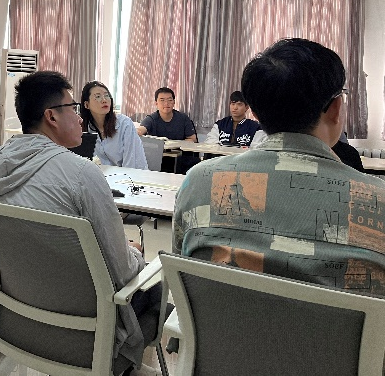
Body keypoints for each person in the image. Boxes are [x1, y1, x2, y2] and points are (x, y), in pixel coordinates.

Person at [0, 71, 161, 375]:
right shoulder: (81, 174)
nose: (79, 118)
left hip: (16, 317)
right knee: (156, 281)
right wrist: (134, 254)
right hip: (86, 332)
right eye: (73, 108)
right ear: (52, 117)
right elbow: (122, 270)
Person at [173, 38, 385, 296]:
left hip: (218, 322)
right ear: (336, 108)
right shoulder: (377, 200)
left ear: (256, 113)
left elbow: (182, 273)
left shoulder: (198, 182)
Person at [81, 81, 147, 169]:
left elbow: (132, 164)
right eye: (98, 97)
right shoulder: (84, 128)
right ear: (86, 104)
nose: (104, 100)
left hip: (127, 175)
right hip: (99, 175)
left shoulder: (124, 124)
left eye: (106, 95)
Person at [136, 87, 197, 173]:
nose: (166, 103)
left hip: (180, 158)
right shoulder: (151, 119)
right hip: (158, 158)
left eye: (169, 100)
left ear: (174, 102)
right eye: (162, 100)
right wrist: (137, 132)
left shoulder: (183, 118)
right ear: (156, 103)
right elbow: (141, 130)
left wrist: (175, 144)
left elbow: (193, 139)